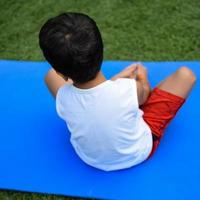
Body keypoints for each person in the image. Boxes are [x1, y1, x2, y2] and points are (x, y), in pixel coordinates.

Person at [39, 12, 196, 171]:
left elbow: (58, 77)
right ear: (101, 50)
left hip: (91, 159)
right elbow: (144, 96)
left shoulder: (63, 97)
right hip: (138, 152)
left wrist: (115, 82)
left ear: (61, 72)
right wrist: (142, 76)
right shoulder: (128, 89)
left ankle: (97, 83)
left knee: (49, 76)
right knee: (185, 75)